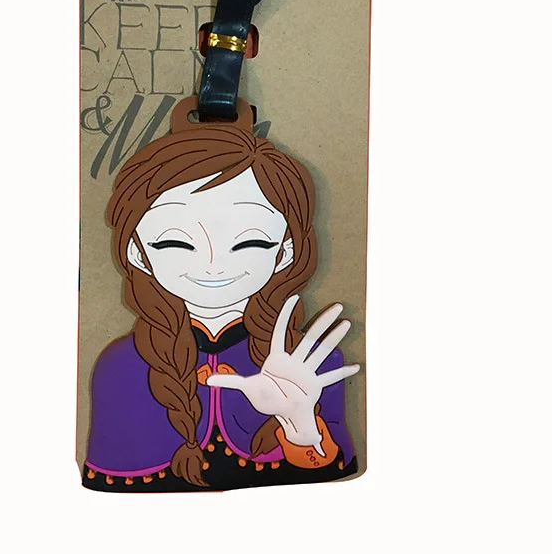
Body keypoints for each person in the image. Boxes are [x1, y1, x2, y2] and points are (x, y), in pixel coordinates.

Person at [83, 104, 360, 492]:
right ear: (137, 252)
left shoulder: (313, 364)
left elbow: (332, 478)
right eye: (176, 243)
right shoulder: (122, 368)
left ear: (286, 251)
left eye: (250, 242)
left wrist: (299, 422)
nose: (213, 266)